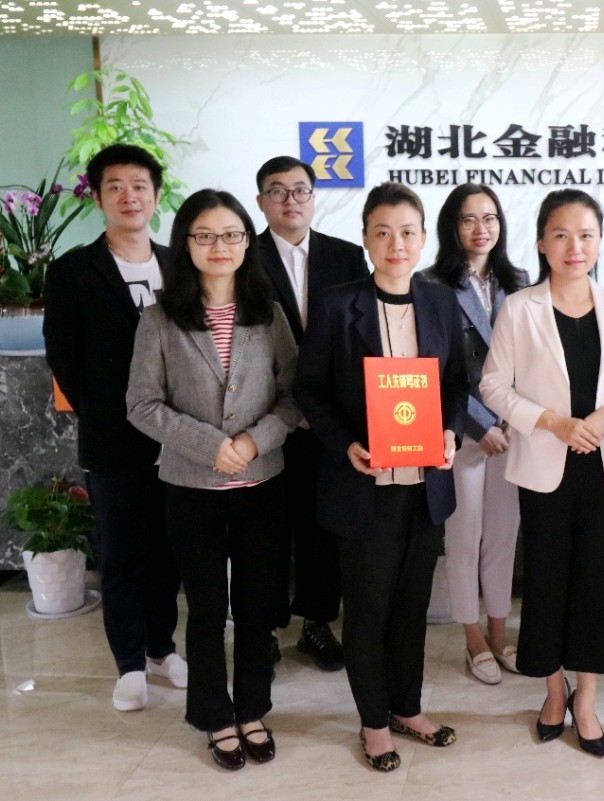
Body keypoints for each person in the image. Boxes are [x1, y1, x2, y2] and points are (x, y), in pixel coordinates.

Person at [293, 182, 468, 772]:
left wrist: (450, 432)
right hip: (363, 486)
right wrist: (345, 444)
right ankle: (373, 722)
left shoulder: (440, 302)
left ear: (423, 239)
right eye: (383, 232)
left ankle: (407, 708)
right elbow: (309, 389)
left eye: (408, 232)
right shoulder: (338, 305)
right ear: (366, 238)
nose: (397, 243)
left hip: (424, 485)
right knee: (367, 610)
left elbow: (456, 385)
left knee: (412, 607)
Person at [126, 189, 300, 770]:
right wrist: (211, 446)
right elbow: (142, 405)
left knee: (256, 608)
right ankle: (213, 716)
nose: (219, 246)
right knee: (204, 609)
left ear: (247, 242)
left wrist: (252, 442)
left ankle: (252, 709)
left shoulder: (267, 313)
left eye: (231, 234)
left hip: (262, 486)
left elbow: (293, 395)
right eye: (205, 235)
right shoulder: (159, 318)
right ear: (186, 244)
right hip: (191, 489)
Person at [479, 189, 604, 758]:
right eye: (560, 234)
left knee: (597, 584)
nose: (574, 246)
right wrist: (551, 422)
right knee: (548, 581)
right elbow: (493, 386)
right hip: (544, 467)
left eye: (585, 235)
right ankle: (554, 692)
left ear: (599, 242)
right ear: (541, 243)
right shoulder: (519, 307)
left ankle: (587, 700)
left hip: (603, 465)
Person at [43, 144, 187, 713]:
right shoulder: (73, 270)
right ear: (99, 197)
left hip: (181, 438)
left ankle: (161, 648)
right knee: (123, 554)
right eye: (116, 187)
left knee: (168, 551)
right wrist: (110, 414)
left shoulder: (179, 264)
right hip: (114, 439)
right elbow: (65, 358)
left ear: (156, 195)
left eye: (139, 186)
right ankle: (129, 663)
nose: (129, 197)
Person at [255, 155, 368, 673]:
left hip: (329, 423)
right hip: (266, 418)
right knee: (269, 531)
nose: (291, 200)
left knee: (323, 528)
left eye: (300, 190)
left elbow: (360, 335)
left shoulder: (345, 257)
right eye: (278, 191)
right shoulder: (244, 257)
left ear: (313, 197)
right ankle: (265, 626)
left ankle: (317, 624)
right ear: (262, 202)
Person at [418, 184, 529, 685]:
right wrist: (480, 424)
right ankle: (472, 639)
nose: (481, 228)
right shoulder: (430, 284)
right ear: (452, 226)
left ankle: (500, 634)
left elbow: (530, 361)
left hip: (513, 429)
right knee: (463, 538)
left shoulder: (519, 280)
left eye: (490, 218)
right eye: (468, 219)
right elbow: (434, 367)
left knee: (504, 537)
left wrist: (508, 418)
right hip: (459, 431)